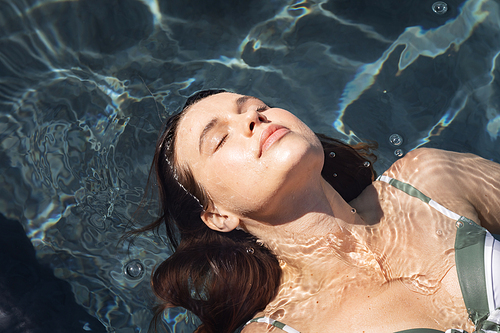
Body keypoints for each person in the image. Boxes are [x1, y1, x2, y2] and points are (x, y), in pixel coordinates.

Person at [137, 89, 500, 333]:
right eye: (219, 138)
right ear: (218, 215)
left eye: (257, 107)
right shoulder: (275, 330)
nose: (253, 119)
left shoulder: (430, 179)